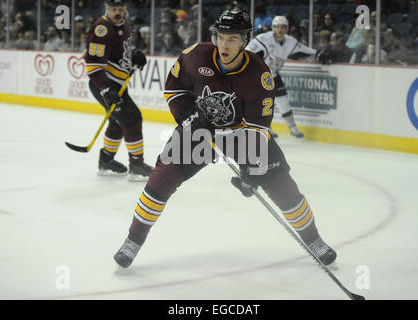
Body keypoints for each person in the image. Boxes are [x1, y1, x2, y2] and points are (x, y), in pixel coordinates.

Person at [113, 10, 337, 269]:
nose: (224, 44)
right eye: (220, 37)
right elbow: (174, 86)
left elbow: (257, 129)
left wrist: (252, 171)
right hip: (199, 129)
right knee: (160, 181)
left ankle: (315, 241)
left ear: (244, 41)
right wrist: (187, 116)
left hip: (242, 135)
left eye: (232, 39)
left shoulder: (260, 76)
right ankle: (132, 241)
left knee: (283, 186)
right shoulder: (196, 55)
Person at [84, 0, 153, 181]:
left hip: (116, 84)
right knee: (132, 119)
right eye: (114, 9)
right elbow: (93, 65)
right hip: (104, 84)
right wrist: (106, 89)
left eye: (121, 9)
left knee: (117, 122)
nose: (117, 13)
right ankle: (137, 166)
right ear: (106, 9)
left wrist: (135, 55)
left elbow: (123, 49)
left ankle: (106, 161)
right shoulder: (102, 29)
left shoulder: (125, 24)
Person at [245, 16, 318, 139]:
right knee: (263, 104)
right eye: (277, 27)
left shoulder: (290, 41)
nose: (280, 29)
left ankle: (293, 128)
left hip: (273, 75)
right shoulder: (263, 39)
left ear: (287, 28)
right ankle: (267, 128)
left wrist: (318, 53)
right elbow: (246, 54)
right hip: (258, 77)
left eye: (283, 27)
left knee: (283, 100)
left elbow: (306, 51)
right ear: (273, 27)